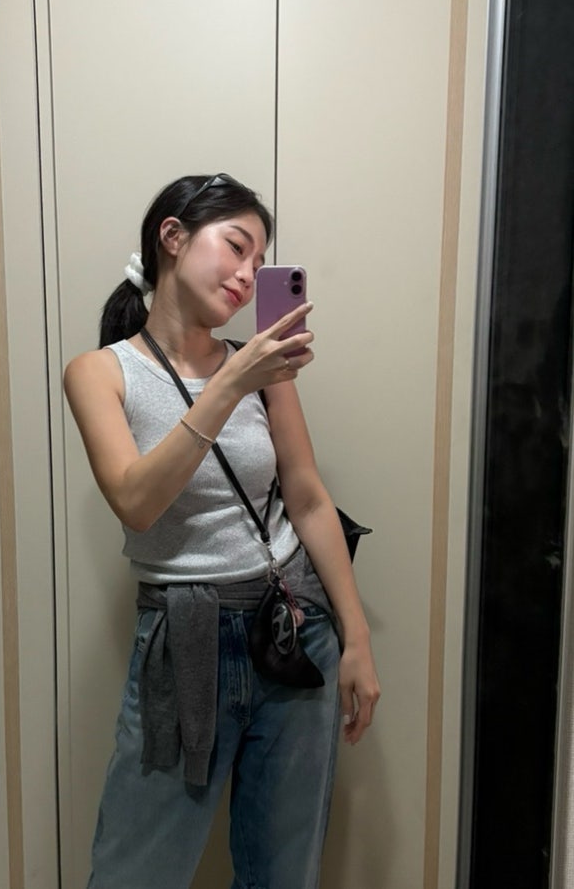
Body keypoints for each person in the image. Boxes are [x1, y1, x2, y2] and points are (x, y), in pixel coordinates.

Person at [63, 173, 380, 889]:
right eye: (236, 247)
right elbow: (135, 502)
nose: (246, 274)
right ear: (172, 237)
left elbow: (306, 498)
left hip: (297, 631)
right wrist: (232, 383)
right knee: (135, 873)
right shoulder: (99, 373)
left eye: (259, 261)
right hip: (186, 635)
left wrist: (356, 638)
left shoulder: (265, 370)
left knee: (283, 873)